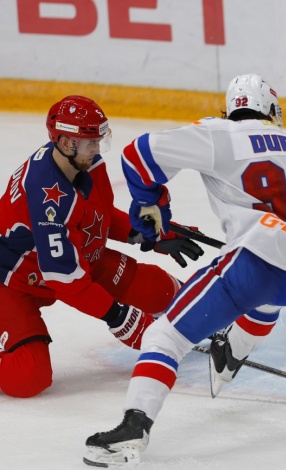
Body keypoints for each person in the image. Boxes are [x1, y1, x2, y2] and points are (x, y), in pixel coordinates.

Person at [83, 74, 286, 467]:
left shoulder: (220, 133)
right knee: (268, 297)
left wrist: (152, 206)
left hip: (259, 264)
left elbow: (138, 154)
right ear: (272, 110)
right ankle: (234, 353)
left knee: (164, 335)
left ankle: (134, 428)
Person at [0, 96, 204, 398]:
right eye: (90, 143)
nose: (97, 149)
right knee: (29, 375)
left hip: (69, 256)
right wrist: (117, 317)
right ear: (66, 143)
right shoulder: (47, 200)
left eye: (99, 140)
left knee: (158, 290)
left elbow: (100, 217)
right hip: (13, 281)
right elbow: (65, 279)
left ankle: (207, 306)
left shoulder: (85, 164)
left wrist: (149, 234)